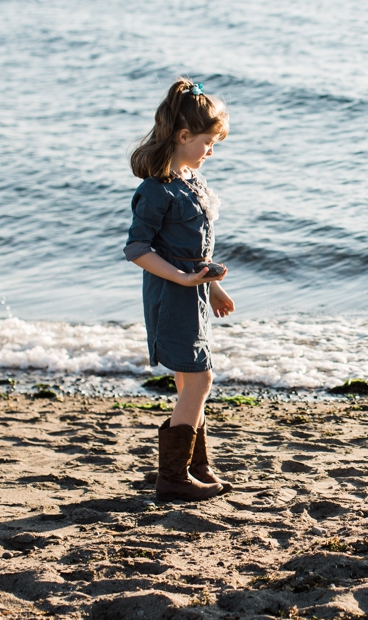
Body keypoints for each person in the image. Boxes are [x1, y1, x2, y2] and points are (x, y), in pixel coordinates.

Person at [125, 79, 236, 501]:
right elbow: (137, 248)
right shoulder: (157, 190)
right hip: (171, 297)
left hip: (192, 295)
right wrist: (184, 280)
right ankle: (172, 478)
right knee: (201, 380)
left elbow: (195, 251)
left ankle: (195, 464)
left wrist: (211, 290)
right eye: (208, 142)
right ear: (183, 136)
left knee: (188, 382)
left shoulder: (190, 182)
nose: (212, 150)